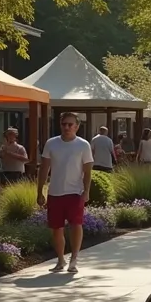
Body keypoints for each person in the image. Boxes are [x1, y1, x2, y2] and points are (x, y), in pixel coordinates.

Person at [37, 112, 95, 274]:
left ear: (77, 127)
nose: (67, 127)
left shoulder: (83, 145)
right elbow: (44, 169)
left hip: (75, 192)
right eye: (64, 124)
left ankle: (74, 259)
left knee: (76, 224)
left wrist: (86, 191)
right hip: (55, 192)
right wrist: (40, 191)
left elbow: (88, 171)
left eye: (70, 124)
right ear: (60, 125)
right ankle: (60, 259)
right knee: (57, 228)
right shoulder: (51, 144)